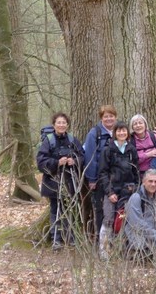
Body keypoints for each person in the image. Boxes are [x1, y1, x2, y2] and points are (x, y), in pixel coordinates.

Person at [37, 112, 84, 251]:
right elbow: (40, 161)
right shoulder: (48, 141)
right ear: (54, 125)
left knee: (70, 209)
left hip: (70, 181)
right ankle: (56, 239)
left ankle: (71, 237)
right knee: (55, 209)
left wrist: (73, 161)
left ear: (67, 125)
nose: (62, 125)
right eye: (59, 122)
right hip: (53, 181)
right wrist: (57, 163)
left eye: (64, 122)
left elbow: (82, 156)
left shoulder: (72, 140)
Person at [97, 121, 139, 260]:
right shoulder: (107, 150)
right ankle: (104, 252)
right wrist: (110, 192)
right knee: (108, 219)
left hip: (128, 190)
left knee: (126, 219)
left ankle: (124, 249)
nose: (122, 133)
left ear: (127, 133)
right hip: (112, 190)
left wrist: (134, 187)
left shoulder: (131, 150)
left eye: (124, 131)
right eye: (119, 131)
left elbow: (136, 171)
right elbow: (103, 173)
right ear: (115, 133)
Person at [83, 105, 117, 237]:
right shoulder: (94, 133)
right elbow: (90, 158)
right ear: (101, 118)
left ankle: (114, 239)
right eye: (106, 116)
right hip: (99, 178)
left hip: (115, 178)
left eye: (111, 116)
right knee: (100, 210)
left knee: (114, 209)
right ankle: (100, 240)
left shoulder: (119, 131)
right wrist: (91, 179)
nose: (109, 119)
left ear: (115, 117)